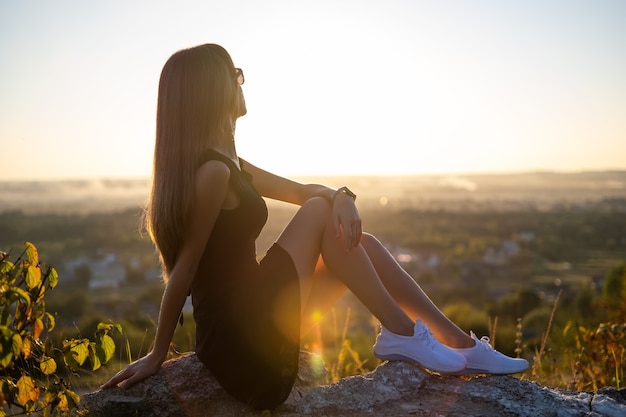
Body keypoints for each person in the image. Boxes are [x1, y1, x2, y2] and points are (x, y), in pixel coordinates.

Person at [101, 43, 529, 410]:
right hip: (240, 344)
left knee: (365, 244)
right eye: (235, 74)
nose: (241, 81)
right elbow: (185, 269)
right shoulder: (212, 172)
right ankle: (402, 334)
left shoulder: (232, 164)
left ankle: (461, 346)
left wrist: (342, 195)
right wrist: (158, 352)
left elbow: (306, 189)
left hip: (257, 317)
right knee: (321, 217)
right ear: (212, 90)